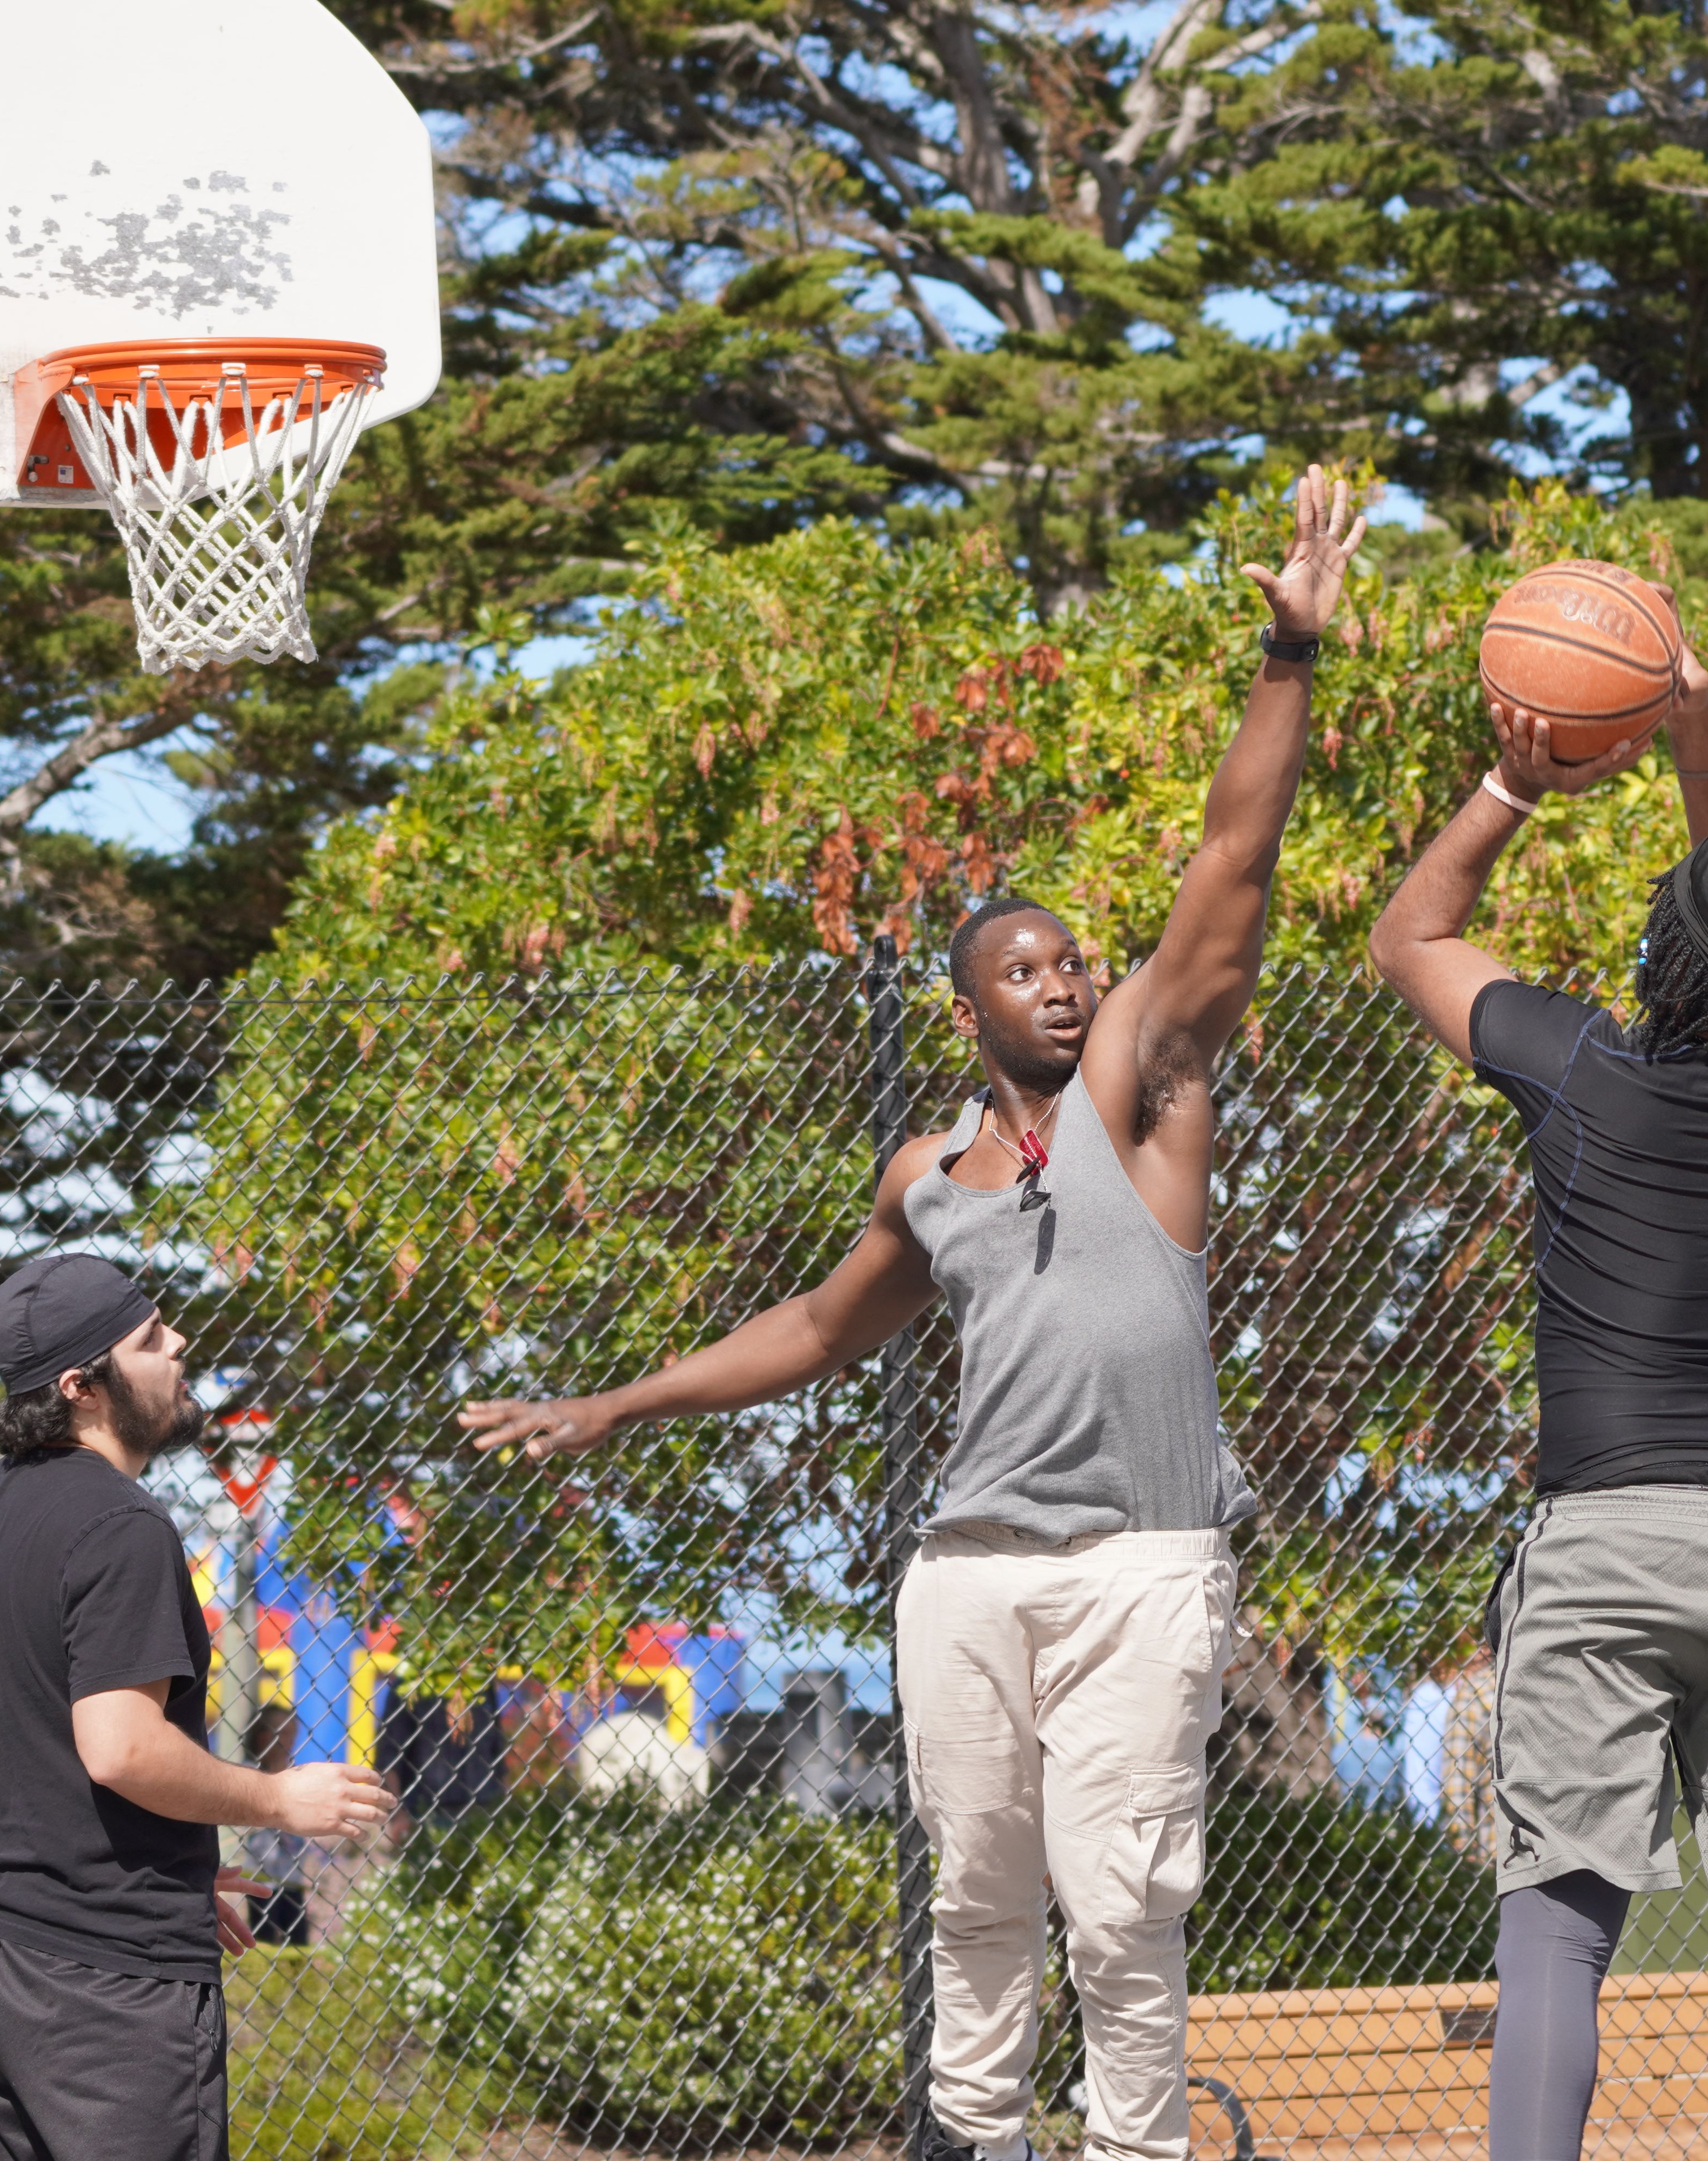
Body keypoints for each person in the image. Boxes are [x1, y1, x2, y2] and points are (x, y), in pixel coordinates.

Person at [458, 468, 1370, 2161]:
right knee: (974, 1903)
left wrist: (1289, 657)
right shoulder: (930, 1171)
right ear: (970, 1007)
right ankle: (978, 2144)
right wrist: (610, 1407)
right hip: (968, 1571)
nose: (1065, 978)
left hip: (1140, 1563)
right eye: (1024, 968)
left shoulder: (1148, 1103)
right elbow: (812, 1331)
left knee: (1123, 1912)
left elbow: (1232, 858)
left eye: (1076, 962)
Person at [1365, 642, 1708, 2161]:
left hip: (1603, 1544)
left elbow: (1413, 938)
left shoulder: (1587, 1070)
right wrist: (1703, 736)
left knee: (1561, 1930)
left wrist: (1509, 787)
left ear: (1679, 960)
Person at [0, 1253, 395, 2161]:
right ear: (81, 1386)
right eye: (147, 1339)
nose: (177, 1343)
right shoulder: (120, 1525)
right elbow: (121, 1750)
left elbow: (29, 1746)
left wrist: (176, 1866)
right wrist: (278, 1800)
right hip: (100, 1973)